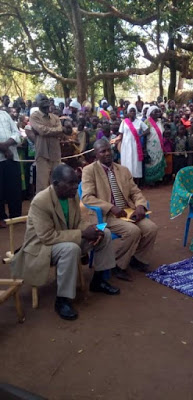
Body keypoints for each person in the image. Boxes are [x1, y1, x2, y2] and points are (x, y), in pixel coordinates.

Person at [11, 164, 120, 320]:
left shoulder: (72, 196)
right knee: (70, 249)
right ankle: (62, 300)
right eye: (71, 183)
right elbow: (47, 237)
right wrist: (83, 233)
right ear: (55, 184)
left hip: (65, 238)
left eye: (76, 182)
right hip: (42, 247)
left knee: (105, 233)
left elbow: (77, 223)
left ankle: (99, 281)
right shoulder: (40, 201)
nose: (75, 187)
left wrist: (91, 229)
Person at [81, 140, 158, 281]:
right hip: (106, 216)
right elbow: (87, 197)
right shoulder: (89, 171)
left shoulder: (123, 170)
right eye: (102, 151)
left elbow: (135, 192)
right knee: (132, 231)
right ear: (96, 155)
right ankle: (116, 264)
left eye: (108, 150)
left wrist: (140, 205)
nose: (107, 153)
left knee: (151, 228)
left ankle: (138, 259)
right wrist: (111, 207)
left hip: (127, 212)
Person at [30, 94, 65, 193]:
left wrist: (48, 131)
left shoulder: (55, 117)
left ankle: (55, 207)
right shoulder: (34, 116)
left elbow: (60, 130)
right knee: (42, 186)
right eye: (42, 99)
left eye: (46, 99)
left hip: (55, 154)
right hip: (42, 155)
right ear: (37, 103)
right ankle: (42, 208)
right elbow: (42, 131)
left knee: (56, 184)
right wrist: (55, 131)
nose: (45, 101)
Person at [0, 109, 22, 228]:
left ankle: (16, 216)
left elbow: (16, 132)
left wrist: (7, 145)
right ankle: (1, 217)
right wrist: (3, 148)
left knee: (14, 188)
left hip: (12, 158)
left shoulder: (4, 114)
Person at [117, 104, 149, 180]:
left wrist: (141, 135)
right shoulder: (124, 122)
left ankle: (135, 181)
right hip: (126, 145)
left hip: (135, 145)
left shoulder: (139, 122)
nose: (132, 112)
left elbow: (147, 130)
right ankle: (127, 179)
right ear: (128, 112)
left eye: (134, 111)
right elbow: (121, 134)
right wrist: (116, 141)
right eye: (131, 111)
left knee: (135, 162)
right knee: (127, 161)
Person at [144, 106, 166, 184]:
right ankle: (151, 180)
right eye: (155, 112)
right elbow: (144, 136)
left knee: (158, 160)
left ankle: (158, 179)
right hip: (150, 146)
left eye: (158, 111)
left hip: (159, 146)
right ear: (150, 113)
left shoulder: (160, 122)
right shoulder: (147, 122)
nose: (157, 113)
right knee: (151, 162)